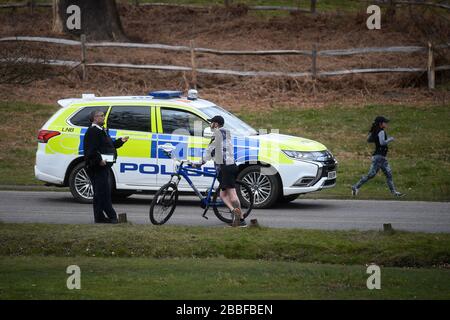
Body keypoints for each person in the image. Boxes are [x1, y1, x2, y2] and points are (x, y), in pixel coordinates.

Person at [198, 115, 246, 227]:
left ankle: (241, 219)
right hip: (229, 166)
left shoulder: (218, 135)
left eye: (211, 123)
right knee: (223, 195)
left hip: (226, 168)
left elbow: (208, 154)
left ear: (216, 124)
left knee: (232, 194)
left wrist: (196, 164)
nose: (210, 125)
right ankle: (234, 211)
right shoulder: (226, 134)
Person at [83, 110, 129, 223]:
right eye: (101, 116)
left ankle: (99, 218)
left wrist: (120, 141)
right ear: (94, 118)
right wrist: (99, 160)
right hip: (97, 167)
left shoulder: (101, 130)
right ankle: (112, 216)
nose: (104, 117)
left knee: (100, 193)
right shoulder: (93, 131)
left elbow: (109, 146)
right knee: (103, 193)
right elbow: (90, 150)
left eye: (104, 116)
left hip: (104, 166)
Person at [352, 116, 404, 197]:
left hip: (379, 157)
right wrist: (390, 139)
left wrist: (373, 135)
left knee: (378, 175)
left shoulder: (377, 131)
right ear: (380, 123)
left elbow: (369, 140)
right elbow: (382, 143)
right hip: (379, 158)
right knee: (381, 175)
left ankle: (394, 193)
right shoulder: (381, 131)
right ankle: (355, 187)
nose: (386, 124)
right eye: (384, 122)